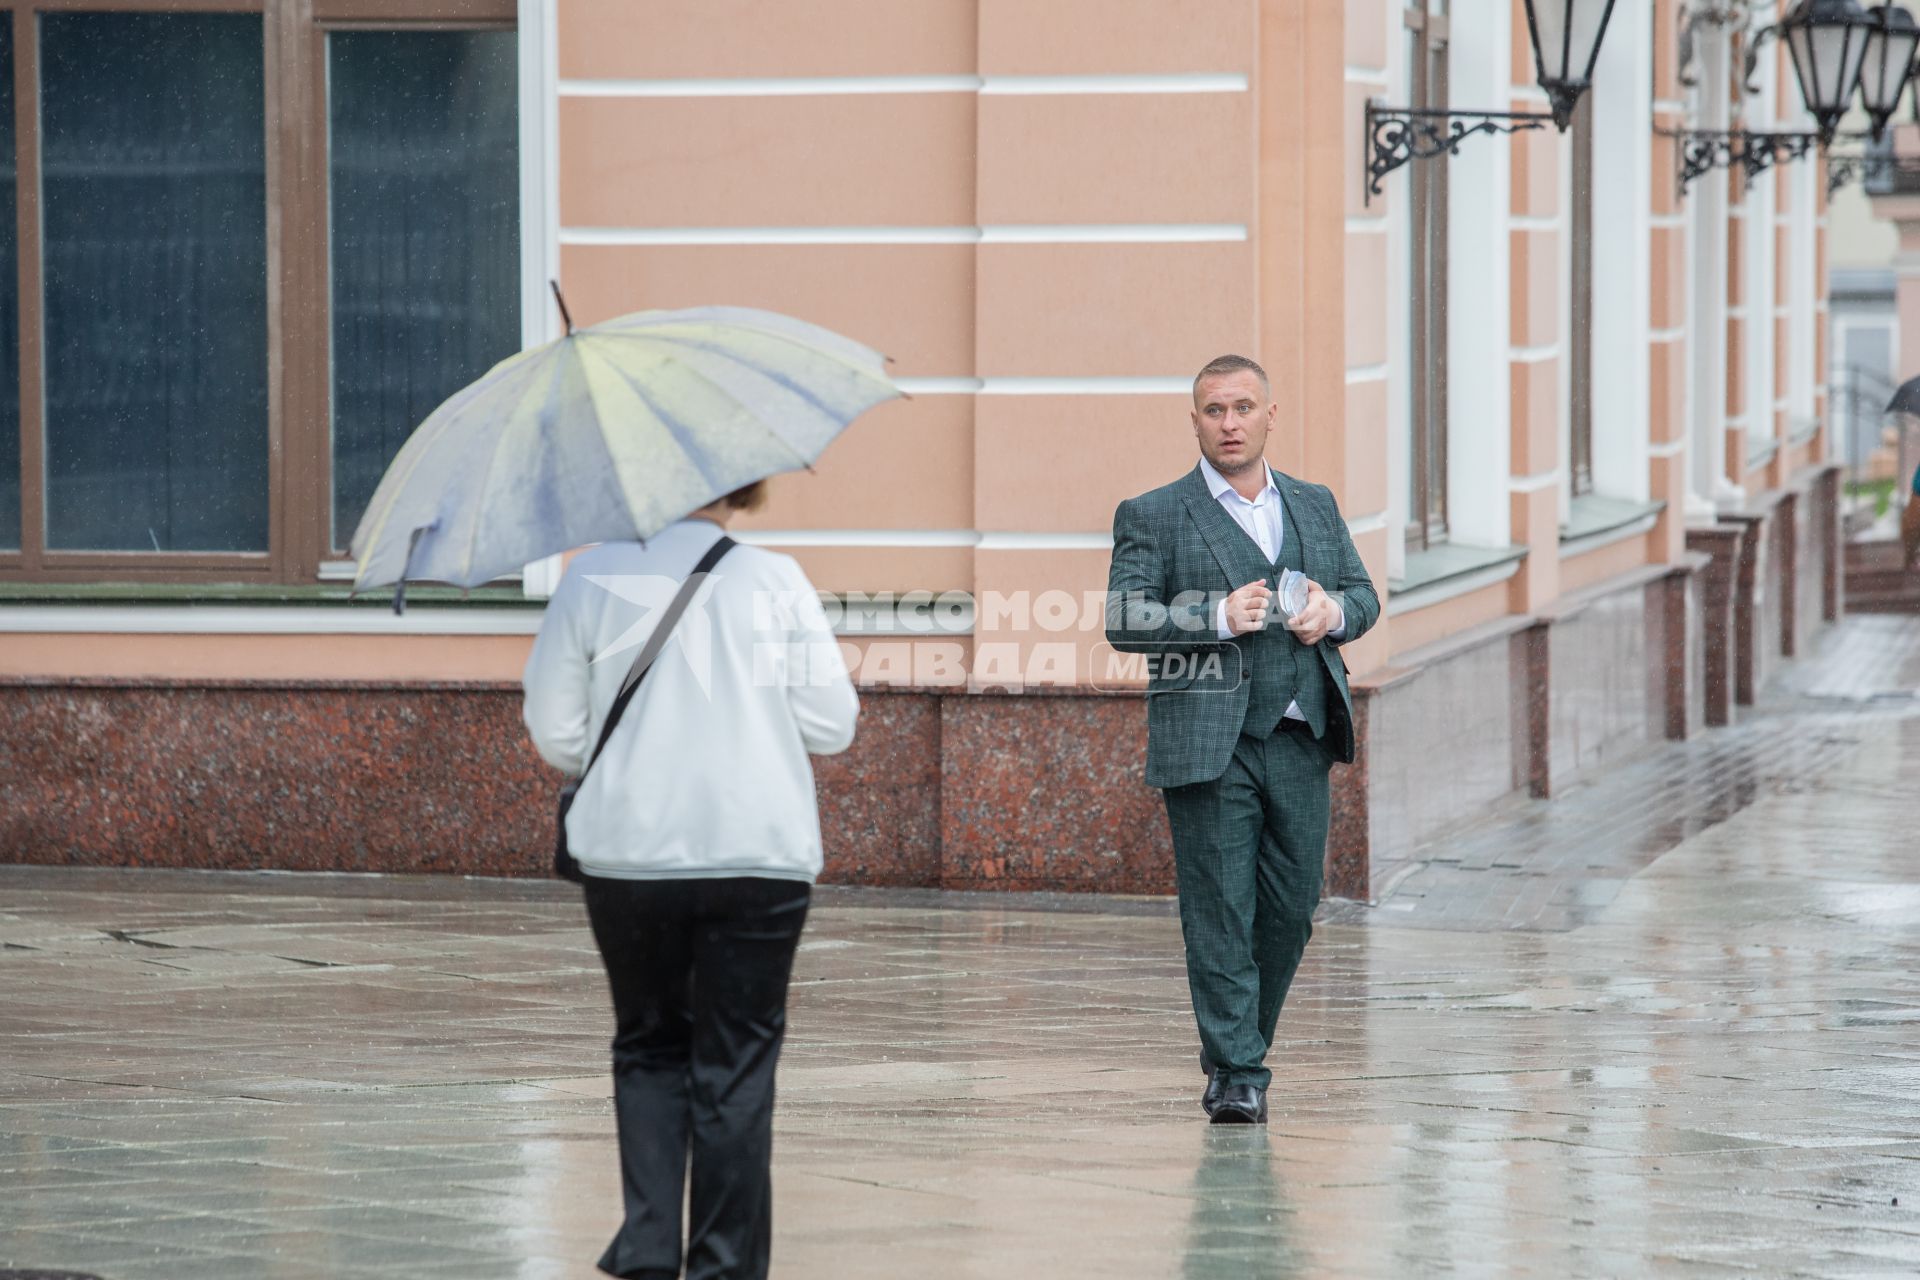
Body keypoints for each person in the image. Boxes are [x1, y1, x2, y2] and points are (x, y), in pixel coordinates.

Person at [523, 481, 858, 1280]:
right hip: (757, 852)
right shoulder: (774, 578)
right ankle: (724, 1264)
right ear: (744, 481)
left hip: (629, 855)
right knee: (736, 1058)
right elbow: (831, 725)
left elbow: (556, 731)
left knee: (647, 1044)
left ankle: (646, 1246)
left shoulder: (589, 575)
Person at [1105, 355, 1379, 1125]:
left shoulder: (1315, 506)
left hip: (1299, 732)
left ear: (1270, 414)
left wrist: (1335, 614)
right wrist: (1215, 617)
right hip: (1208, 743)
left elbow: (1363, 594)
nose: (1230, 422)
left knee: (1291, 906)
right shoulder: (1155, 513)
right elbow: (1124, 619)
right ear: (1194, 421)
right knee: (1220, 908)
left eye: (1243, 408)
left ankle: (1239, 1042)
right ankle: (1238, 1072)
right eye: (1214, 410)